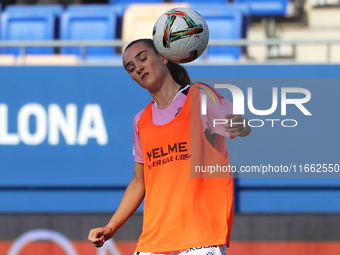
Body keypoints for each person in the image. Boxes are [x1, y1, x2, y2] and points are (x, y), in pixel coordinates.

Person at [88, 38, 251, 255]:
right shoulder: (140, 121)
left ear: (164, 57)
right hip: (154, 243)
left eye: (142, 58)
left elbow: (241, 127)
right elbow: (139, 182)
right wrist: (111, 227)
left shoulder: (201, 97)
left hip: (201, 239)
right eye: (131, 68)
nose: (138, 68)